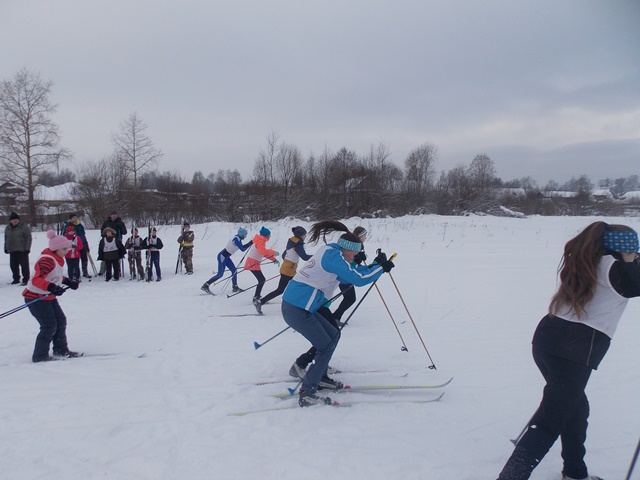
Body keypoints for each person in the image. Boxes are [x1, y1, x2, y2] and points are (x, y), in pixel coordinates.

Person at [496, 222, 640, 480]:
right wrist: (630, 260)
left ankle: (574, 472)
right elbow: (634, 285)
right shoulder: (619, 271)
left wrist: (631, 260)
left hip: (547, 340)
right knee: (551, 421)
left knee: (575, 408)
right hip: (574, 351)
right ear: (625, 248)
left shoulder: (588, 260)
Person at [280, 220, 395, 407]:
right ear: (346, 249)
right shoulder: (333, 258)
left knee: (333, 335)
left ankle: (321, 376)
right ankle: (308, 391)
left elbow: (351, 272)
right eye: (354, 253)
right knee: (325, 345)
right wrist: (381, 268)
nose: (355, 256)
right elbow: (357, 279)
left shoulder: (331, 252)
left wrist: (375, 265)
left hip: (301, 305)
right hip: (297, 308)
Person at [23, 230, 80, 362]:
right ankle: (40, 355)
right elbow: (37, 279)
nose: (67, 251)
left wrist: (67, 282)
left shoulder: (56, 258)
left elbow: (55, 275)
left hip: (48, 297)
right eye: (64, 249)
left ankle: (61, 349)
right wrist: (51, 287)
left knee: (60, 321)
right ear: (56, 249)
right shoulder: (46, 260)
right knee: (49, 325)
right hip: (36, 298)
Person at [258, 226, 312, 312]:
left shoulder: (291, 241)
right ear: (300, 235)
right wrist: (316, 257)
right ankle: (260, 302)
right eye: (304, 235)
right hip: (288, 270)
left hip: (287, 269)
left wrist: (289, 263)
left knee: (297, 286)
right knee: (281, 290)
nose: (305, 236)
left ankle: (297, 304)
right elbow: (304, 257)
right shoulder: (298, 244)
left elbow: (284, 255)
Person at [332, 226, 368, 324]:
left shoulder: (360, 246)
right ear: (360, 236)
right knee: (350, 299)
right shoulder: (352, 245)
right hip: (345, 277)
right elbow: (348, 263)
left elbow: (356, 263)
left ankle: (334, 317)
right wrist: (357, 261)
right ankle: (334, 317)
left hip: (348, 276)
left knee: (349, 298)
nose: (365, 238)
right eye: (365, 236)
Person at [201, 227, 253, 294]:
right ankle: (206, 285)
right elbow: (242, 249)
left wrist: (250, 243)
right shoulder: (236, 240)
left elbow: (242, 247)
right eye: (245, 235)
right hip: (222, 257)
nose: (246, 236)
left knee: (234, 271)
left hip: (227, 257)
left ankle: (235, 287)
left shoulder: (238, 238)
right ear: (242, 234)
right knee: (220, 274)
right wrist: (250, 243)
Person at [245, 226, 278, 312]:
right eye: (269, 235)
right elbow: (263, 252)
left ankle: (257, 296)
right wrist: (273, 252)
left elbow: (263, 253)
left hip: (253, 262)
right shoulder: (260, 241)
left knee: (261, 280)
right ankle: (256, 298)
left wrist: (273, 259)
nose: (270, 236)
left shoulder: (260, 240)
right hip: (252, 263)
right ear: (266, 235)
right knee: (261, 280)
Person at [4, 211, 32, 285]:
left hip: (22, 250)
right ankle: (16, 279)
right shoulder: (8, 228)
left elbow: (28, 238)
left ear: (19, 220)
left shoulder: (24, 227)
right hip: (12, 250)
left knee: (24, 266)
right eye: (13, 219)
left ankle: (26, 280)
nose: (14, 220)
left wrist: (27, 249)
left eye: (16, 219)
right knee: (13, 266)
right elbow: (6, 238)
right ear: (10, 220)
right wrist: (6, 248)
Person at [63, 213, 91, 278]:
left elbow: (83, 235)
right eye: (73, 218)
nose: (75, 219)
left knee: (84, 258)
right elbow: (64, 235)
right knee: (74, 259)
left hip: (82, 243)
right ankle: (74, 273)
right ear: (70, 219)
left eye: (76, 217)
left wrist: (86, 244)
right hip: (73, 244)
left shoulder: (79, 225)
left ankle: (85, 271)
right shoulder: (68, 225)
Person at [99, 211, 127, 276]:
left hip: (117, 241)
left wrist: (120, 227)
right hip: (107, 241)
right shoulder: (106, 223)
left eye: (115, 215)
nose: (114, 216)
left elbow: (124, 232)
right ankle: (103, 271)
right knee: (105, 257)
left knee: (117, 257)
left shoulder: (120, 222)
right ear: (110, 215)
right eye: (113, 214)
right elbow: (102, 231)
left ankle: (117, 272)